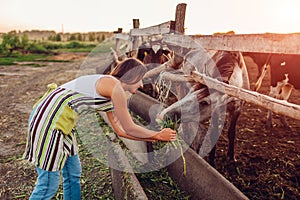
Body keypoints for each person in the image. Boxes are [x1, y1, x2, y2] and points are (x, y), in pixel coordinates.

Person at [23, 57, 176, 200]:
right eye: (141, 79)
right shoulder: (114, 87)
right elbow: (129, 127)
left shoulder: (111, 90)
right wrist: (157, 135)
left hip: (62, 124)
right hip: (49, 121)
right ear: (132, 76)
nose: (142, 84)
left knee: (73, 173)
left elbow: (121, 131)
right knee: (49, 185)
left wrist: (155, 138)